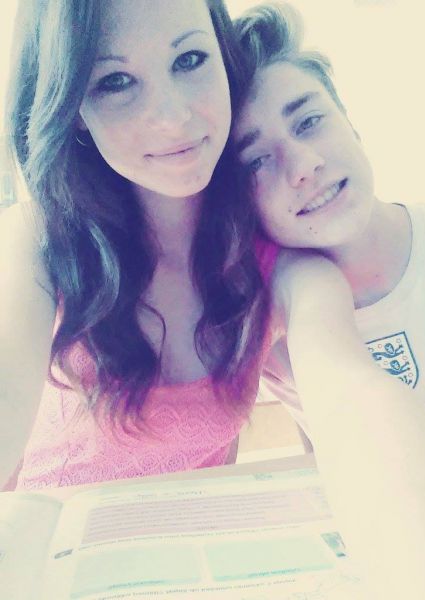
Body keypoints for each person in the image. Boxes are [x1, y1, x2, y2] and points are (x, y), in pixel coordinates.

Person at [1, 0, 277, 490]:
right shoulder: (40, 244)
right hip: (61, 536)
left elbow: (344, 389)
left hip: (206, 535)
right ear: (75, 109)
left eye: (189, 59)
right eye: (115, 82)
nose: (173, 117)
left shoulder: (265, 244)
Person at [230, 4, 425, 599]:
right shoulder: (269, 333)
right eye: (257, 160)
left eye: (309, 122)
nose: (304, 166)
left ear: (349, 121)